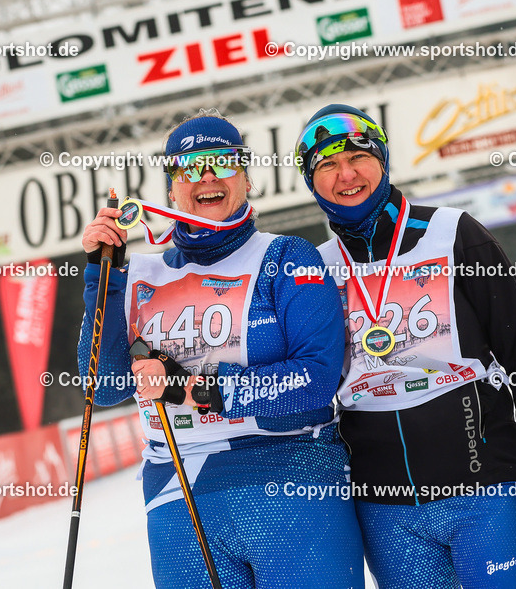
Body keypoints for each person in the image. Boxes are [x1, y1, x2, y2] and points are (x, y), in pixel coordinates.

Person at [77, 113, 364, 589]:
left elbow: (317, 381)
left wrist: (198, 388)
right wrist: (100, 276)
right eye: (190, 168)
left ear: (246, 178)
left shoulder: (288, 257)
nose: (207, 177)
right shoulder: (139, 275)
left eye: (221, 163)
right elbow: (102, 388)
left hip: (292, 472)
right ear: (172, 189)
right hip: (179, 487)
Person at [295, 104, 516, 588]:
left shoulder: (454, 235)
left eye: (358, 157)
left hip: (487, 491)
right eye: (327, 165)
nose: (347, 174)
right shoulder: (314, 271)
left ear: (382, 160)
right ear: (312, 182)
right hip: (386, 512)